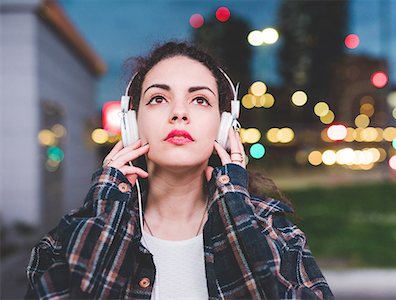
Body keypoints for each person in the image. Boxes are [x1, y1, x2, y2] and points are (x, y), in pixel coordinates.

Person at [25, 41, 334, 299]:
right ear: (132, 124)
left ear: (225, 125)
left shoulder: (272, 231)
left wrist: (234, 203)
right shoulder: (68, 239)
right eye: (158, 98)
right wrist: (106, 205)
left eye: (200, 100)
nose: (179, 113)